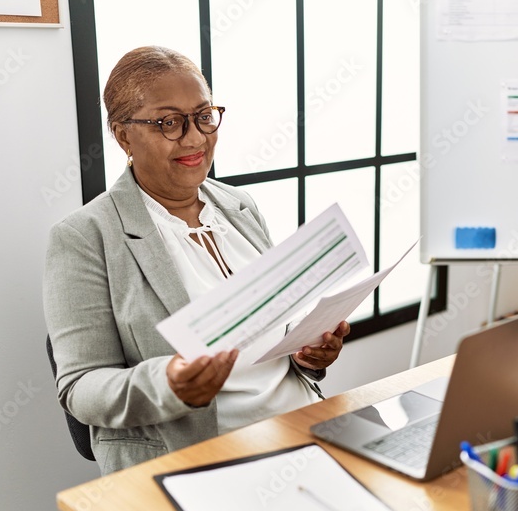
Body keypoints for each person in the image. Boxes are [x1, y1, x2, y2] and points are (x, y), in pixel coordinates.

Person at [43, 46, 349, 475]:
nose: (195, 138)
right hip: (203, 456)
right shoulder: (84, 237)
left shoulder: (239, 206)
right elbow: (80, 388)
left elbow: (270, 332)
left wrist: (305, 353)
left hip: (302, 427)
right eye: (169, 122)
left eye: (204, 116)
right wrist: (169, 384)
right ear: (123, 135)